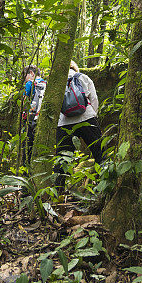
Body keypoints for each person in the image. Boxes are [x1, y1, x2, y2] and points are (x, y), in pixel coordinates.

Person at [55, 61, 103, 189]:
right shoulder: (83, 77)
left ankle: (58, 192)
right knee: (99, 152)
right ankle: (103, 185)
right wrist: (93, 114)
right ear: (74, 68)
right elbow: (94, 98)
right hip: (87, 118)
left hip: (64, 123)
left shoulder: (56, 82)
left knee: (62, 159)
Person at [22, 65, 46, 163]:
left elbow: (23, 102)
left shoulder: (30, 83)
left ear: (31, 73)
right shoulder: (46, 83)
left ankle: (26, 166)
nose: (24, 79)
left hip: (31, 119)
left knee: (27, 145)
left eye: (25, 76)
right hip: (43, 118)